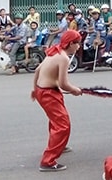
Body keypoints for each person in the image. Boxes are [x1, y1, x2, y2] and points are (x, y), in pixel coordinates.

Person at [31, 29, 83, 172]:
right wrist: (75, 90)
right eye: (77, 44)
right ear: (71, 44)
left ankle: (59, 144)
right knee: (63, 124)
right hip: (49, 93)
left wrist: (34, 89)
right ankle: (48, 161)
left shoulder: (54, 51)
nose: (78, 46)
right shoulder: (63, 58)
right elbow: (63, 83)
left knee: (56, 120)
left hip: (42, 90)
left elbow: (37, 70)